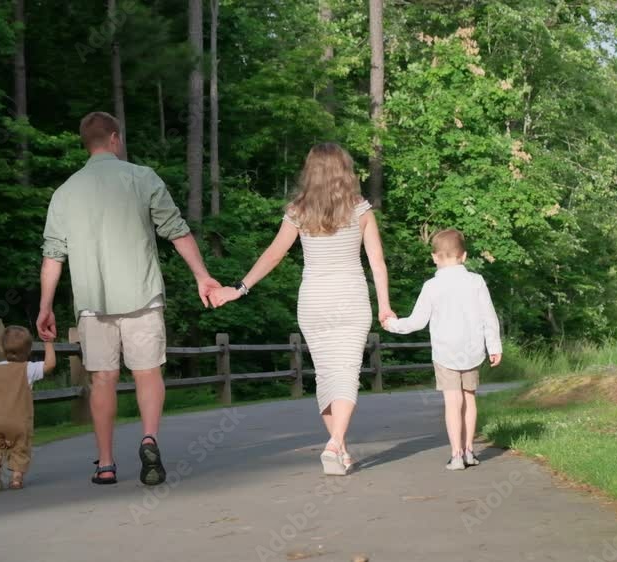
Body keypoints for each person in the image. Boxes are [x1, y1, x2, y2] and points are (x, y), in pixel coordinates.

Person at [37, 111, 220, 486]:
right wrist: (203, 277)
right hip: (142, 294)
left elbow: (53, 255)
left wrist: (45, 307)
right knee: (147, 372)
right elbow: (176, 230)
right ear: (115, 138)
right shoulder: (142, 177)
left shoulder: (65, 192)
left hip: (92, 302)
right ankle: (149, 439)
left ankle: (105, 464)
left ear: (86, 144)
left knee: (102, 379)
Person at [210, 142, 393, 475]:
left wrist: (240, 288)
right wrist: (385, 306)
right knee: (347, 372)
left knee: (326, 376)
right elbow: (377, 262)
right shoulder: (361, 209)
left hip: (314, 303)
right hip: (350, 300)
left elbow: (273, 255)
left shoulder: (298, 211)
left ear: (311, 172)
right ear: (345, 170)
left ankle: (339, 447)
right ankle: (336, 443)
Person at [381, 228, 502, 471]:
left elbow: (417, 322)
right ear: (464, 256)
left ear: (435, 257)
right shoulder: (476, 282)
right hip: (473, 350)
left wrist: (391, 324)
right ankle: (469, 451)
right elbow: (489, 317)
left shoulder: (431, 286)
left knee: (452, 401)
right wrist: (494, 346)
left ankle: (456, 455)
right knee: (469, 398)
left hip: (446, 352)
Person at [0, 325, 56, 490]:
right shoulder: (27, 369)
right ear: (28, 350)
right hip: (19, 421)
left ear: (1, 347)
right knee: (21, 447)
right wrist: (48, 341)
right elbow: (49, 365)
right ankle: (16, 479)